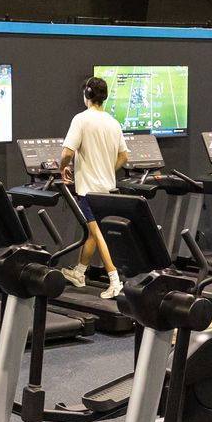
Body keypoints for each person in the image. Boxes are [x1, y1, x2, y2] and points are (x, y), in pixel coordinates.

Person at [60, 76, 129, 297]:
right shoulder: (113, 122)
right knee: (93, 232)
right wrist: (108, 168)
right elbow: (124, 156)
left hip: (89, 190)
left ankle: (115, 280)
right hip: (108, 189)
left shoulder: (81, 119)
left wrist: (62, 167)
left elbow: (68, 152)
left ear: (87, 95)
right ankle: (80, 272)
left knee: (98, 234)